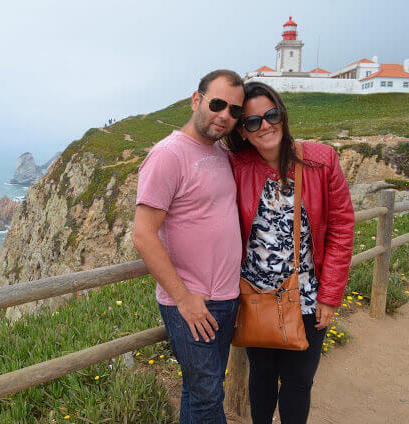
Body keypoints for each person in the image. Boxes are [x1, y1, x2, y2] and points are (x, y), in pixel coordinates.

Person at [225, 81, 355, 424]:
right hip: (256, 295)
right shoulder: (238, 166)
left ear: (282, 114)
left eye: (270, 115)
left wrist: (330, 296)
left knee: (298, 381)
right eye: (252, 122)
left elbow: (342, 228)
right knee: (262, 378)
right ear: (243, 132)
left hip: (309, 296)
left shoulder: (322, 159)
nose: (264, 125)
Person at [133, 69, 245, 423]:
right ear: (196, 100)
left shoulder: (221, 151)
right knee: (208, 396)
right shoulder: (168, 154)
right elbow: (143, 234)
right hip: (193, 301)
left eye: (234, 110)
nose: (225, 115)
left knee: (198, 392)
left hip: (225, 297)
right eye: (217, 103)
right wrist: (184, 299)